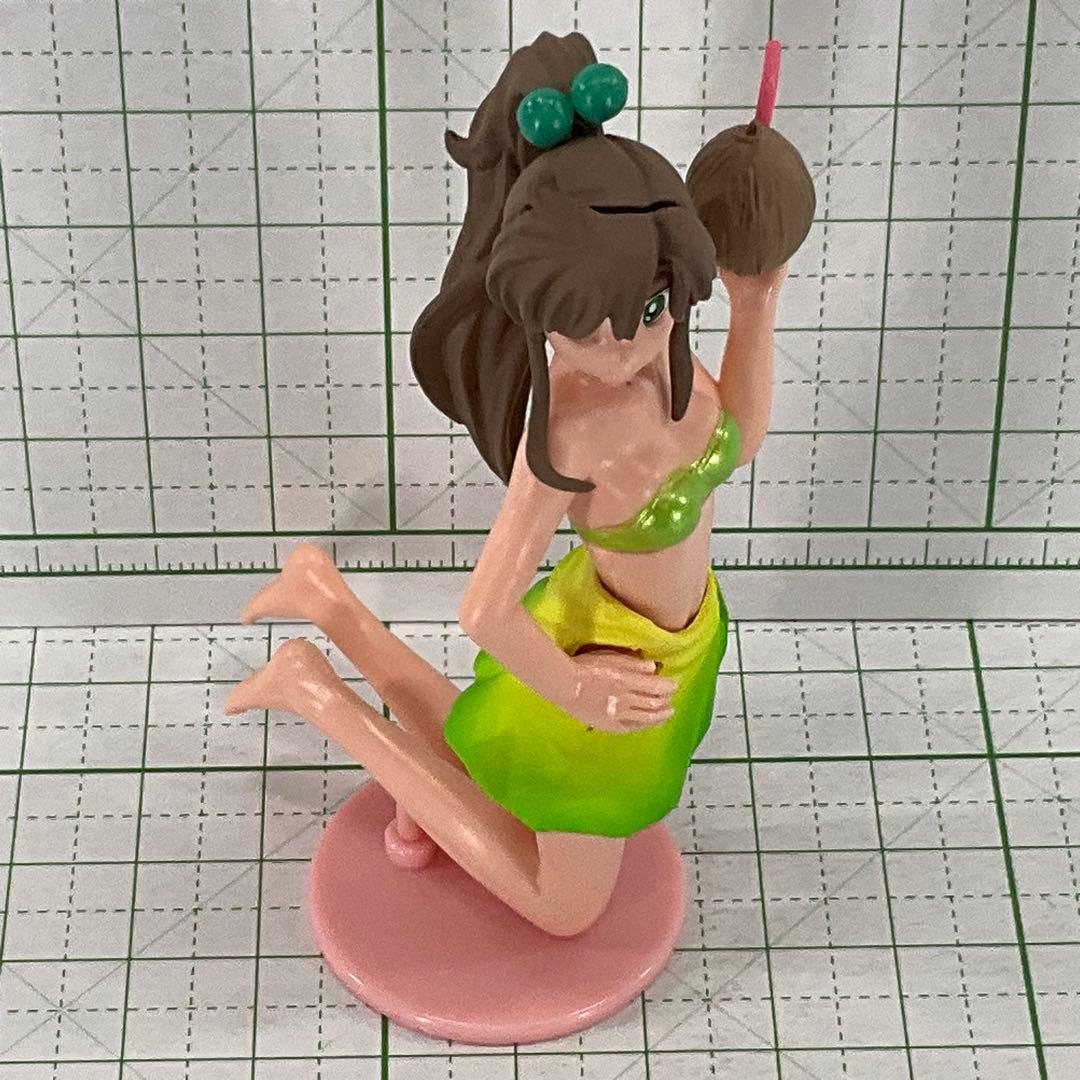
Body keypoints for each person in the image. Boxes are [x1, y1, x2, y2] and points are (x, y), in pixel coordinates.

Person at [225, 30, 786, 938]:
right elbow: (484, 609)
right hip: (605, 667)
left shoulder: (671, 367)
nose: (628, 349)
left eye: (649, 309)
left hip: (667, 650)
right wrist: (576, 691)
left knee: (492, 752)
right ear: (541, 316)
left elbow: (740, 438)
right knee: (564, 910)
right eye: (588, 327)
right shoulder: (564, 431)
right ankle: (315, 694)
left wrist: (756, 303)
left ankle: (329, 602)